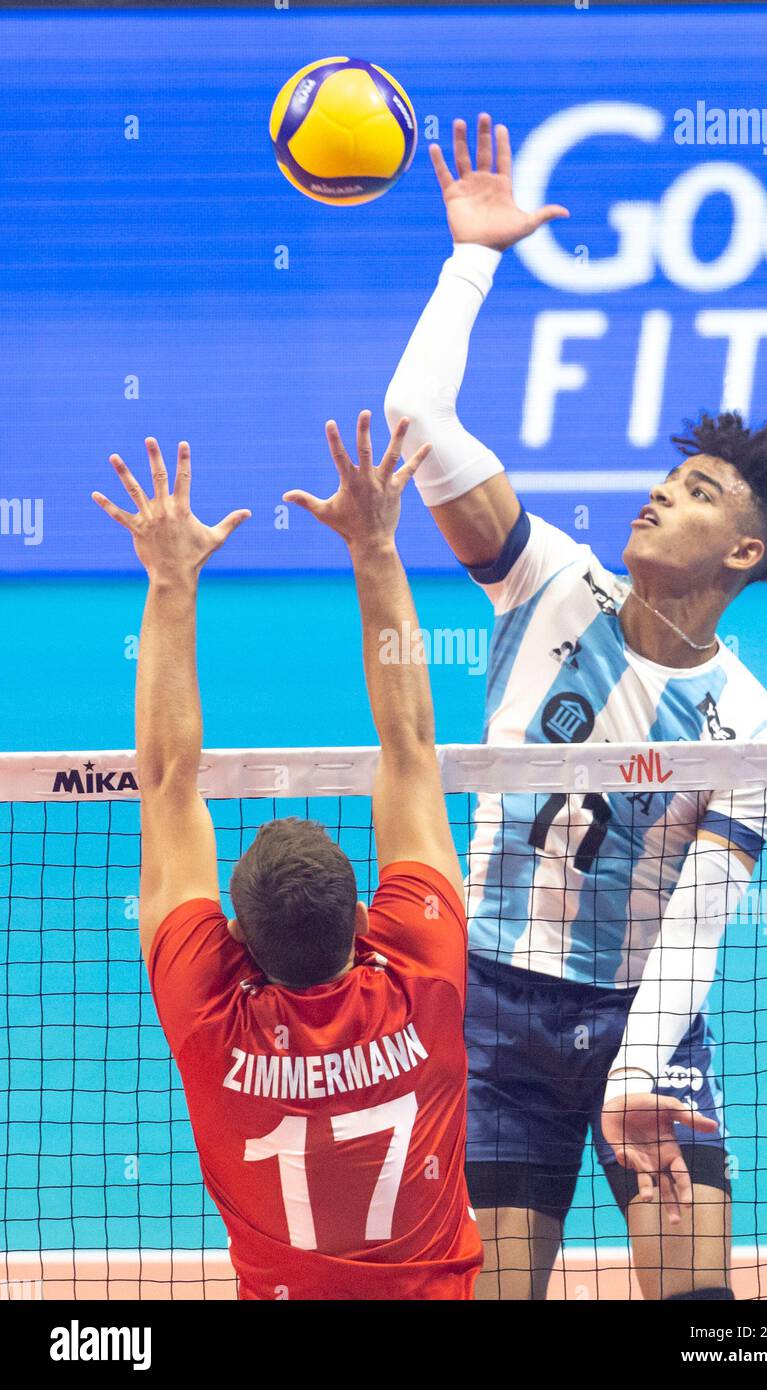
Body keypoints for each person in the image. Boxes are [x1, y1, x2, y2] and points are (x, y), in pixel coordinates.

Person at [383, 113, 767, 1301]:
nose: (653, 496)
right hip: (493, 1006)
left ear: (738, 550)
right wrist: (472, 255)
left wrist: (637, 1073)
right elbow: (416, 420)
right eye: (663, 475)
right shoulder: (542, 586)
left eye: (689, 493)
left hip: (643, 1010)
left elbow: (694, 930)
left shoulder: (752, 734)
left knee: (705, 1320)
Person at [91, 413, 483, 1300]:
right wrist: (376, 547)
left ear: (234, 936)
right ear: (362, 920)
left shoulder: (206, 1012)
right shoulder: (424, 974)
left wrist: (170, 581)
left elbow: (165, 780)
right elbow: (412, 746)